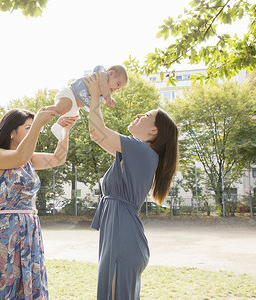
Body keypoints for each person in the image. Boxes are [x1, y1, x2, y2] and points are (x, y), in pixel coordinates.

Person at [84, 74, 179, 300]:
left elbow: (99, 130)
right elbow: (96, 135)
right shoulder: (137, 153)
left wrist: (96, 94)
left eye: (146, 115)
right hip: (119, 233)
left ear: (154, 131)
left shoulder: (141, 150)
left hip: (122, 236)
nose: (138, 115)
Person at [0, 107, 78, 299]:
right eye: (27, 128)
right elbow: (19, 156)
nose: (32, 131)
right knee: (3, 283)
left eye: (32, 127)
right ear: (12, 132)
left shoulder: (27, 159)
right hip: (7, 230)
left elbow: (58, 159)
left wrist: (65, 132)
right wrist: (38, 122)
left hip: (30, 228)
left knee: (28, 283)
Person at [48, 65, 128, 140]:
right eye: (117, 84)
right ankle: (43, 113)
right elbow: (104, 88)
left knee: (72, 118)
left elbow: (103, 92)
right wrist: (108, 98)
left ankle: (58, 127)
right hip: (70, 94)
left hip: (75, 105)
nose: (115, 88)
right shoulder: (102, 75)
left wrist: (111, 100)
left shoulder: (102, 90)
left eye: (118, 88)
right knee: (61, 108)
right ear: (111, 73)